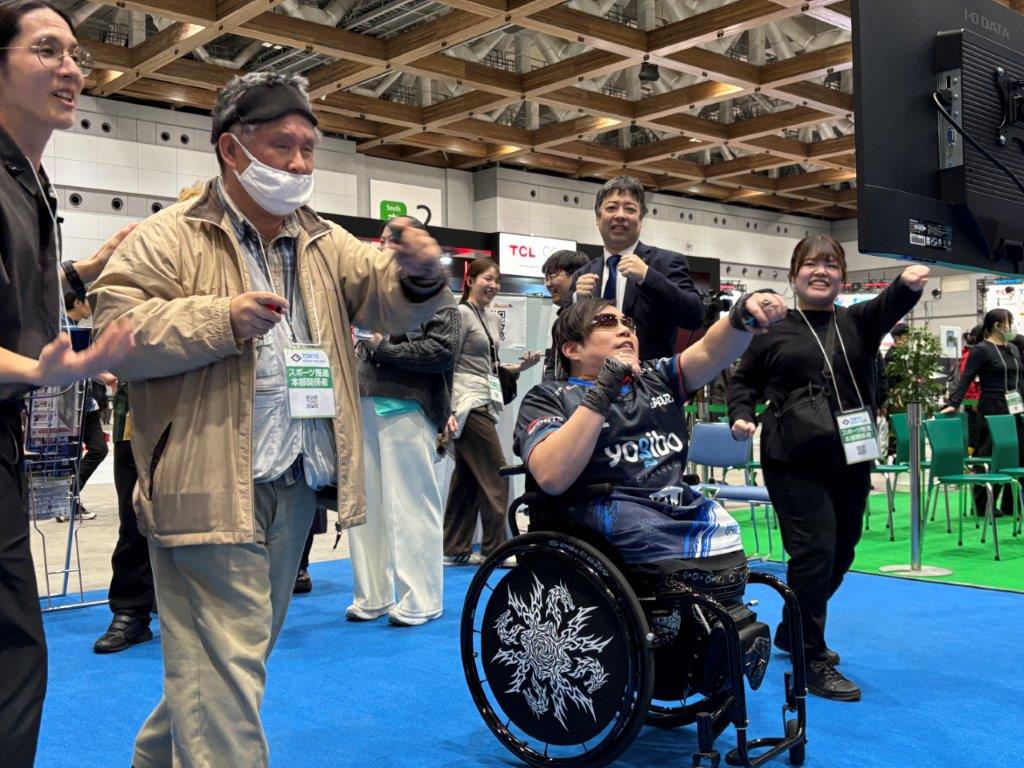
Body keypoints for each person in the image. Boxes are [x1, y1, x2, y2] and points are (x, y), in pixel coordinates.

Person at [90, 71, 447, 768]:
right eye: (284, 146)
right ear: (232, 149)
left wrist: (421, 274)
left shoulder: (322, 240)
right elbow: (115, 333)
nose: (301, 164)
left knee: (226, 664)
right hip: (202, 487)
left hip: (294, 486)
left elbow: (387, 299)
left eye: (310, 149)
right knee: (226, 670)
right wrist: (219, 319)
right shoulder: (168, 236)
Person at [0, 2, 133, 765]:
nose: (71, 69)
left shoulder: (30, 180)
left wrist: (87, 271)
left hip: (9, 434)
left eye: (76, 54)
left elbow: (19, 303)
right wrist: (41, 370)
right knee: (15, 655)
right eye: (47, 50)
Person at [513, 291, 787, 633]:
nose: (625, 330)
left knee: (724, 530)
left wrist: (741, 317)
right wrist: (606, 385)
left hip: (674, 508)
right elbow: (552, 476)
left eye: (628, 323)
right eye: (606, 322)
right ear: (572, 349)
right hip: (608, 517)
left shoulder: (656, 378)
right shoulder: (547, 397)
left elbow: (709, 351)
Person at [728, 235, 928, 702]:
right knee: (814, 553)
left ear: (843, 276)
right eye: (811, 264)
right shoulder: (773, 329)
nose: (821, 271)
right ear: (793, 274)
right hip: (793, 460)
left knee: (842, 552)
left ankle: (791, 628)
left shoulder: (857, 321)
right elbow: (744, 380)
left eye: (831, 264)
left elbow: (891, 302)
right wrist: (741, 413)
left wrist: (908, 282)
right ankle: (810, 656)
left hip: (850, 457)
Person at [346, 217, 460, 626]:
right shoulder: (373, 296)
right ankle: (372, 595)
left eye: (396, 238)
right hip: (364, 405)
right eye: (384, 238)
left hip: (409, 408)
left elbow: (443, 351)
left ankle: (421, 598)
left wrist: (384, 349)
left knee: (412, 505)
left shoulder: (437, 295)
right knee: (366, 508)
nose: (386, 245)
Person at [444, 257, 540, 565]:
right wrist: (445, 409)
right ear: (470, 280)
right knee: (498, 473)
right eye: (487, 278)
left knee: (468, 479)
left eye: (497, 280)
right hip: (466, 402)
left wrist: (519, 367)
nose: (494, 285)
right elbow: (448, 362)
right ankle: (495, 549)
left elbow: (490, 366)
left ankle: (454, 548)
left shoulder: (492, 318)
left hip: (485, 397)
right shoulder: (460, 314)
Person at [571, 175, 704, 360]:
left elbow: (695, 317)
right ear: (598, 218)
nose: (620, 215)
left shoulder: (666, 263)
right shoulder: (583, 274)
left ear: (641, 221)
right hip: (594, 375)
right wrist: (577, 302)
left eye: (630, 209)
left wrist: (648, 277)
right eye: (611, 208)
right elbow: (566, 335)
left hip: (647, 376)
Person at [942, 309, 1024, 517]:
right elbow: (966, 378)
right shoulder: (982, 349)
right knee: (988, 455)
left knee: (1017, 454)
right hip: (992, 408)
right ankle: (983, 504)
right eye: (1009, 321)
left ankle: (1011, 504)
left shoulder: (1013, 348)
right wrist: (954, 403)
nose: (1011, 326)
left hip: (1015, 408)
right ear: (997, 325)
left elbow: (1019, 379)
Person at [541, 248, 589, 381]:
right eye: (546, 277)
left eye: (553, 276)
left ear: (577, 275)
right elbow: (553, 363)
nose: (548, 284)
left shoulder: (592, 314)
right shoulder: (562, 318)